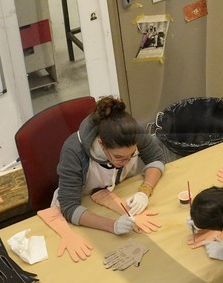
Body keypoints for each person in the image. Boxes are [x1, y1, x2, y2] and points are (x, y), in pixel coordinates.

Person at [55, 96, 167, 235]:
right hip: (84, 209)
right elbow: (69, 207)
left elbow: (155, 158)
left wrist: (145, 190)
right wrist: (112, 226)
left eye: (131, 155)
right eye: (118, 157)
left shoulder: (133, 132)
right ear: (102, 144)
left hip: (117, 193)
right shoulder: (74, 151)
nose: (126, 163)